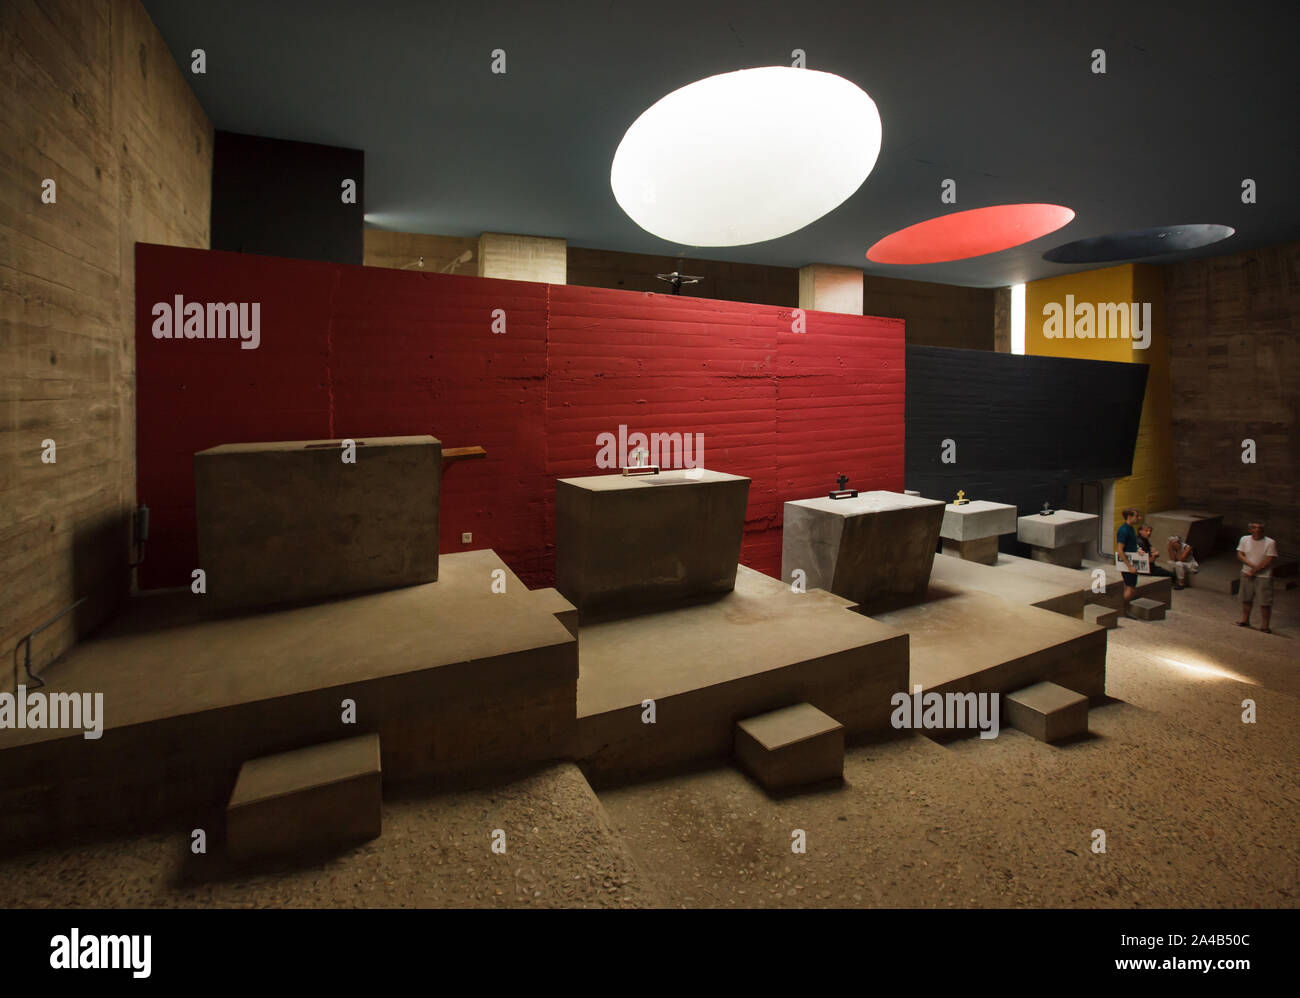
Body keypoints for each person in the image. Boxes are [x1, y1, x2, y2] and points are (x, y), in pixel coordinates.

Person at [1236, 520, 1277, 633]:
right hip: (1246, 572)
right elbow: (1240, 554)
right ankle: (1245, 620)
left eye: (1259, 528)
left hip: (1263, 576)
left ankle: (1265, 626)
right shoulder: (1244, 539)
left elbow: (1269, 559)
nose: (1257, 530)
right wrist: (1249, 565)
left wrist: (1254, 570)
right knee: (1246, 598)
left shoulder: (1270, 542)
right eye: (1254, 527)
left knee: (1265, 601)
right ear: (1250, 529)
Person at [1116, 507, 1141, 618]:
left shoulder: (1131, 529)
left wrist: (1138, 549)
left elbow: (1132, 544)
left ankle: (1124, 609)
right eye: (1136, 516)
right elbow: (1120, 550)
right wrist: (1129, 566)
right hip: (1127, 562)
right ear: (1129, 517)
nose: (1138, 518)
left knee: (1131, 587)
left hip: (1132, 559)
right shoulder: (1123, 530)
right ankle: (1121, 609)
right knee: (1130, 588)